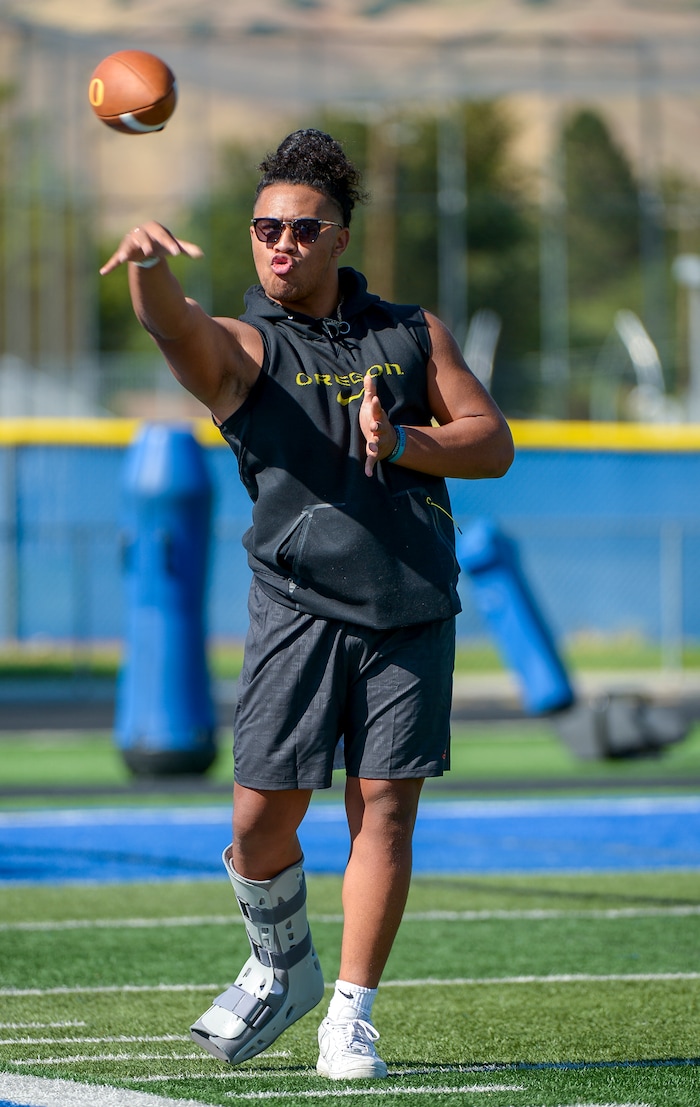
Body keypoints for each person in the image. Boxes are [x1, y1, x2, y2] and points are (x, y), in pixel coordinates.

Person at [101, 128, 514, 1081]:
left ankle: (350, 1015)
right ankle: (281, 963)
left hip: (411, 601)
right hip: (297, 608)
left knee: (385, 813)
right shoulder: (251, 344)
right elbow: (180, 333)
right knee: (257, 825)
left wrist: (405, 438)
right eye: (262, 228)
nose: (278, 244)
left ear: (338, 236)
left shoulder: (410, 332)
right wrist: (147, 276)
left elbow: (490, 441)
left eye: (298, 228)